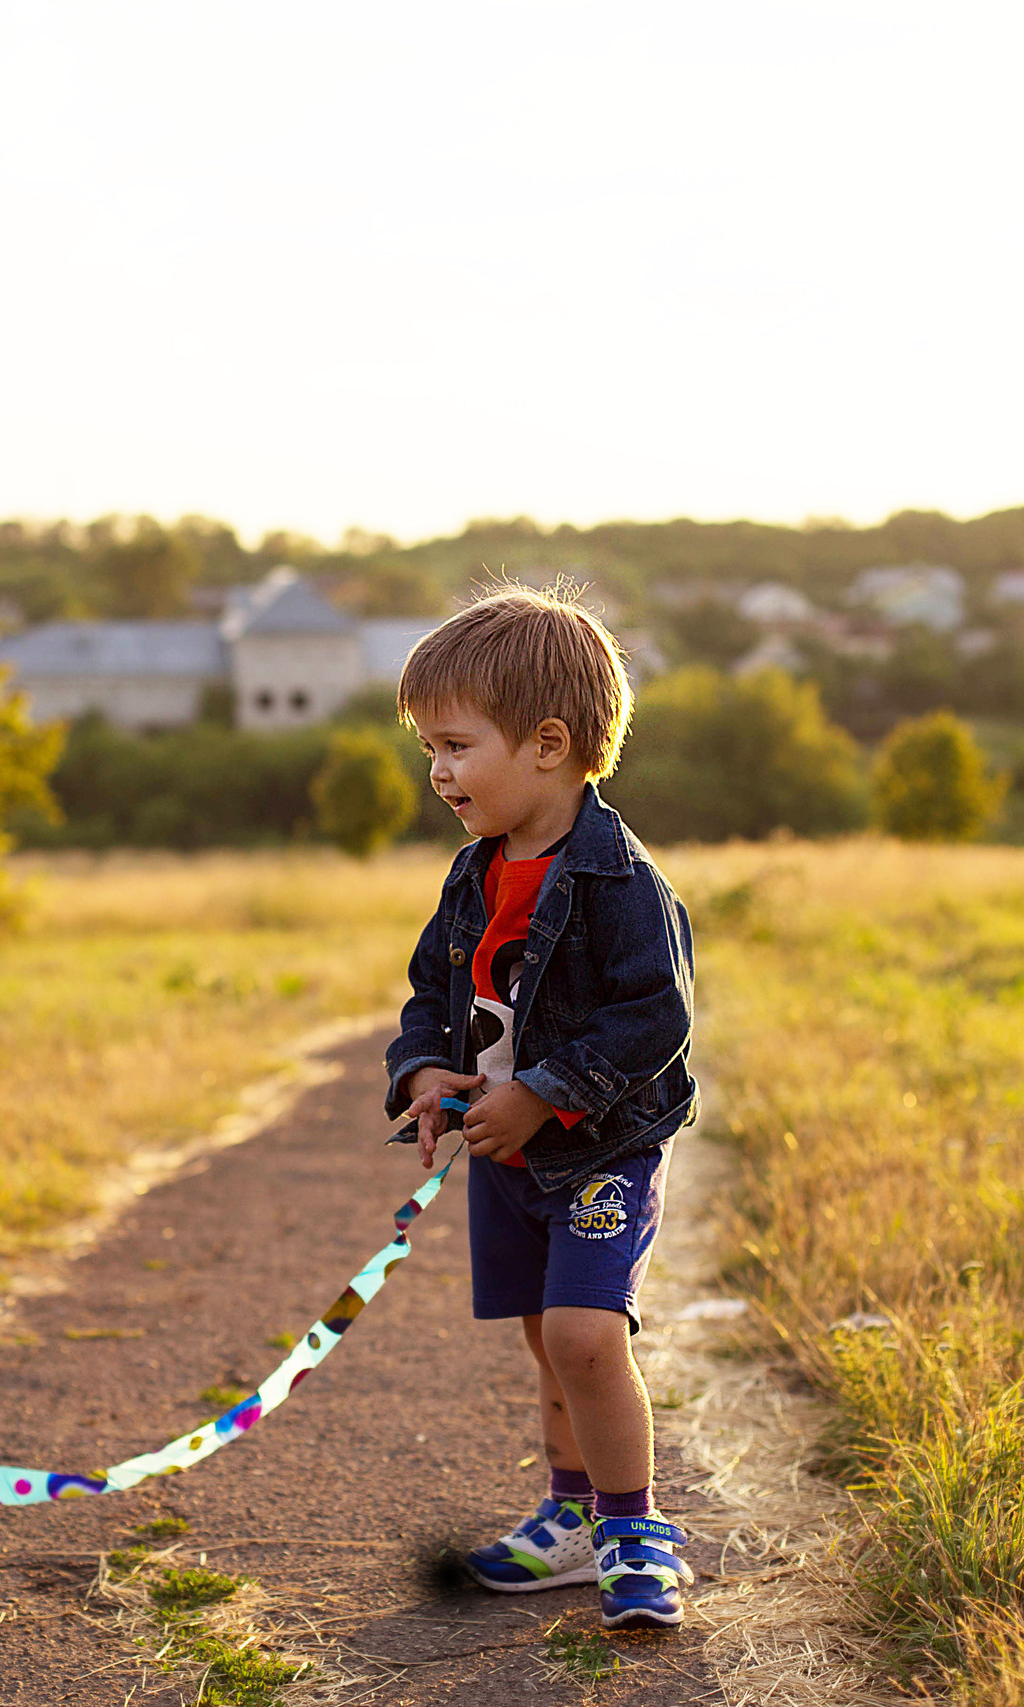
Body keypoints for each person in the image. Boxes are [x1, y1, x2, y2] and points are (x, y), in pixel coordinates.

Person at [383, 582, 698, 1629]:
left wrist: (544, 1094)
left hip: (596, 1151)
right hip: (508, 1159)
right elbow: (430, 992)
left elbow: (656, 1019)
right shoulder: (473, 875)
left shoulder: (618, 881)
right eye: (429, 748)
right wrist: (424, 1072)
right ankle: (571, 1514)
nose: (437, 771)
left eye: (456, 746)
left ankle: (634, 1526)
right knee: (544, 1337)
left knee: (583, 1334)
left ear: (549, 745)